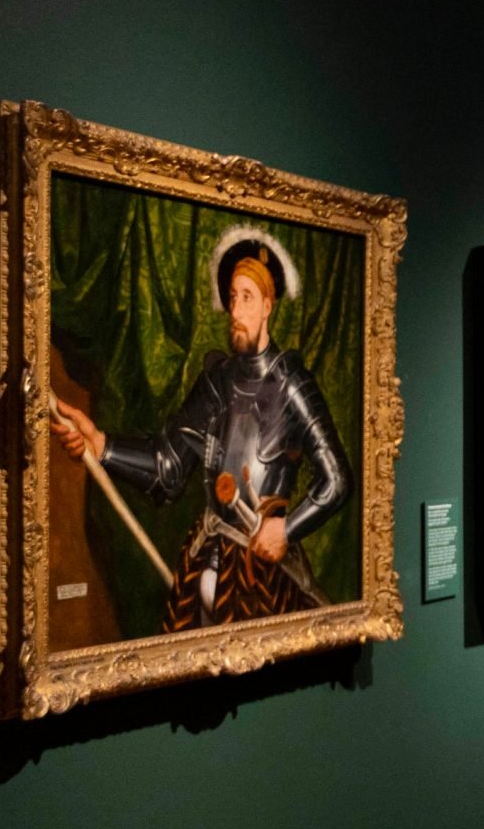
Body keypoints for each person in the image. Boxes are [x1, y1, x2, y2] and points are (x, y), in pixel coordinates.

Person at [50, 231, 350, 629]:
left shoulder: (291, 383)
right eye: (231, 297)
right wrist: (101, 444)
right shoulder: (216, 382)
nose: (236, 309)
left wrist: (287, 529)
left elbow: (337, 480)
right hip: (207, 556)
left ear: (267, 305)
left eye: (247, 296)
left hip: (265, 571)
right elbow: (165, 467)